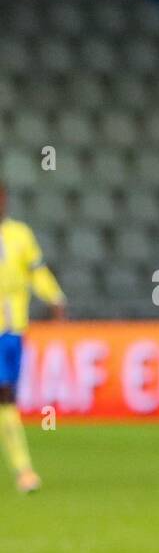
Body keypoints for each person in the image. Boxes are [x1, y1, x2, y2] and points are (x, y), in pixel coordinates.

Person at [0, 178, 68, 494]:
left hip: (12, 333)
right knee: (5, 397)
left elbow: (36, 272)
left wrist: (54, 297)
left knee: (7, 398)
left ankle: (22, 470)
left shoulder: (20, 234)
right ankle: (23, 469)